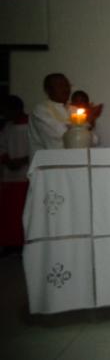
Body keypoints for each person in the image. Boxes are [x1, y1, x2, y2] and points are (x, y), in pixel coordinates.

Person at [29, 73, 102, 155]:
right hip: (49, 162)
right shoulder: (41, 110)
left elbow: (95, 140)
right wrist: (88, 120)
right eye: (60, 86)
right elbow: (62, 136)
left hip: (73, 161)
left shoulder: (74, 109)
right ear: (48, 90)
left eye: (67, 85)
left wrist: (89, 123)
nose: (66, 89)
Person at [0, 95, 29, 254]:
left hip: (25, 175)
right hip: (10, 176)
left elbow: (37, 147)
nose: (4, 114)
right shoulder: (7, 127)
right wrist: (7, 160)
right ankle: (9, 244)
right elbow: (2, 146)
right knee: (8, 214)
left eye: (6, 110)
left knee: (22, 213)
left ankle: (21, 244)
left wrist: (23, 160)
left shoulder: (32, 124)